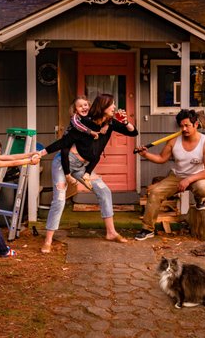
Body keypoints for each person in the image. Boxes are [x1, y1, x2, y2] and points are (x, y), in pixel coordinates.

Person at [39, 93, 138, 253]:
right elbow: (64, 142)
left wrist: (126, 122)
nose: (114, 107)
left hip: (82, 168)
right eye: (112, 104)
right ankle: (48, 240)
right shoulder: (84, 123)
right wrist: (42, 153)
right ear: (103, 107)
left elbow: (133, 133)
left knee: (104, 191)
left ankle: (111, 232)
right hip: (64, 164)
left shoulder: (110, 123)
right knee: (59, 200)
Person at [134, 109, 205, 241]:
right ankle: (147, 229)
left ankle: (200, 199)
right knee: (155, 192)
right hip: (177, 176)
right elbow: (161, 158)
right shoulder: (173, 141)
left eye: (187, 125)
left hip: (198, 176)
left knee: (202, 187)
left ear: (196, 125)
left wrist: (188, 180)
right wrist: (145, 154)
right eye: (181, 126)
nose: (184, 129)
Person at [59, 95, 100, 190]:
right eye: (80, 106)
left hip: (79, 145)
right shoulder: (75, 117)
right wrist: (91, 132)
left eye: (85, 105)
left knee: (96, 157)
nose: (84, 107)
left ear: (89, 106)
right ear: (75, 109)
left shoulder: (90, 118)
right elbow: (78, 126)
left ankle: (87, 174)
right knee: (64, 152)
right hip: (68, 138)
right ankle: (67, 175)